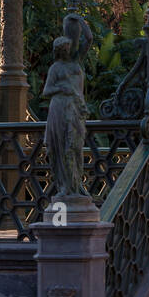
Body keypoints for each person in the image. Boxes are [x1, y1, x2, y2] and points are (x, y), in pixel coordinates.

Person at [44, 14, 92, 199]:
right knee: (62, 147)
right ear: (59, 51)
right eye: (64, 48)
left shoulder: (77, 61)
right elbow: (47, 90)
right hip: (59, 107)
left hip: (75, 109)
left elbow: (89, 39)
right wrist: (61, 88)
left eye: (68, 47)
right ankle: (65, 187)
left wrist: (80, 20)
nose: (68, 49)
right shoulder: (55, 68)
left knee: (75, 147)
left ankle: (76, 185)